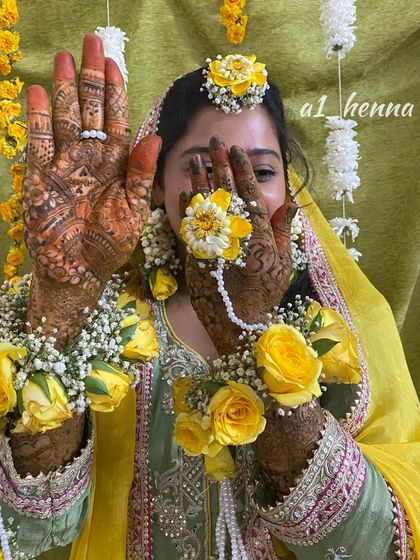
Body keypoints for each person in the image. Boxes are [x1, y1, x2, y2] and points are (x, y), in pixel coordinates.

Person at [0, 33, 418, 560]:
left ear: (289, 188)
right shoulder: (99, 323)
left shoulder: (345, 325)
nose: (228, 193)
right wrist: (65, 306)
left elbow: (378, 545)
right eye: (200, 167)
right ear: (153, 184)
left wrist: (252, 338)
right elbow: (29, 534)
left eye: (260, 172)